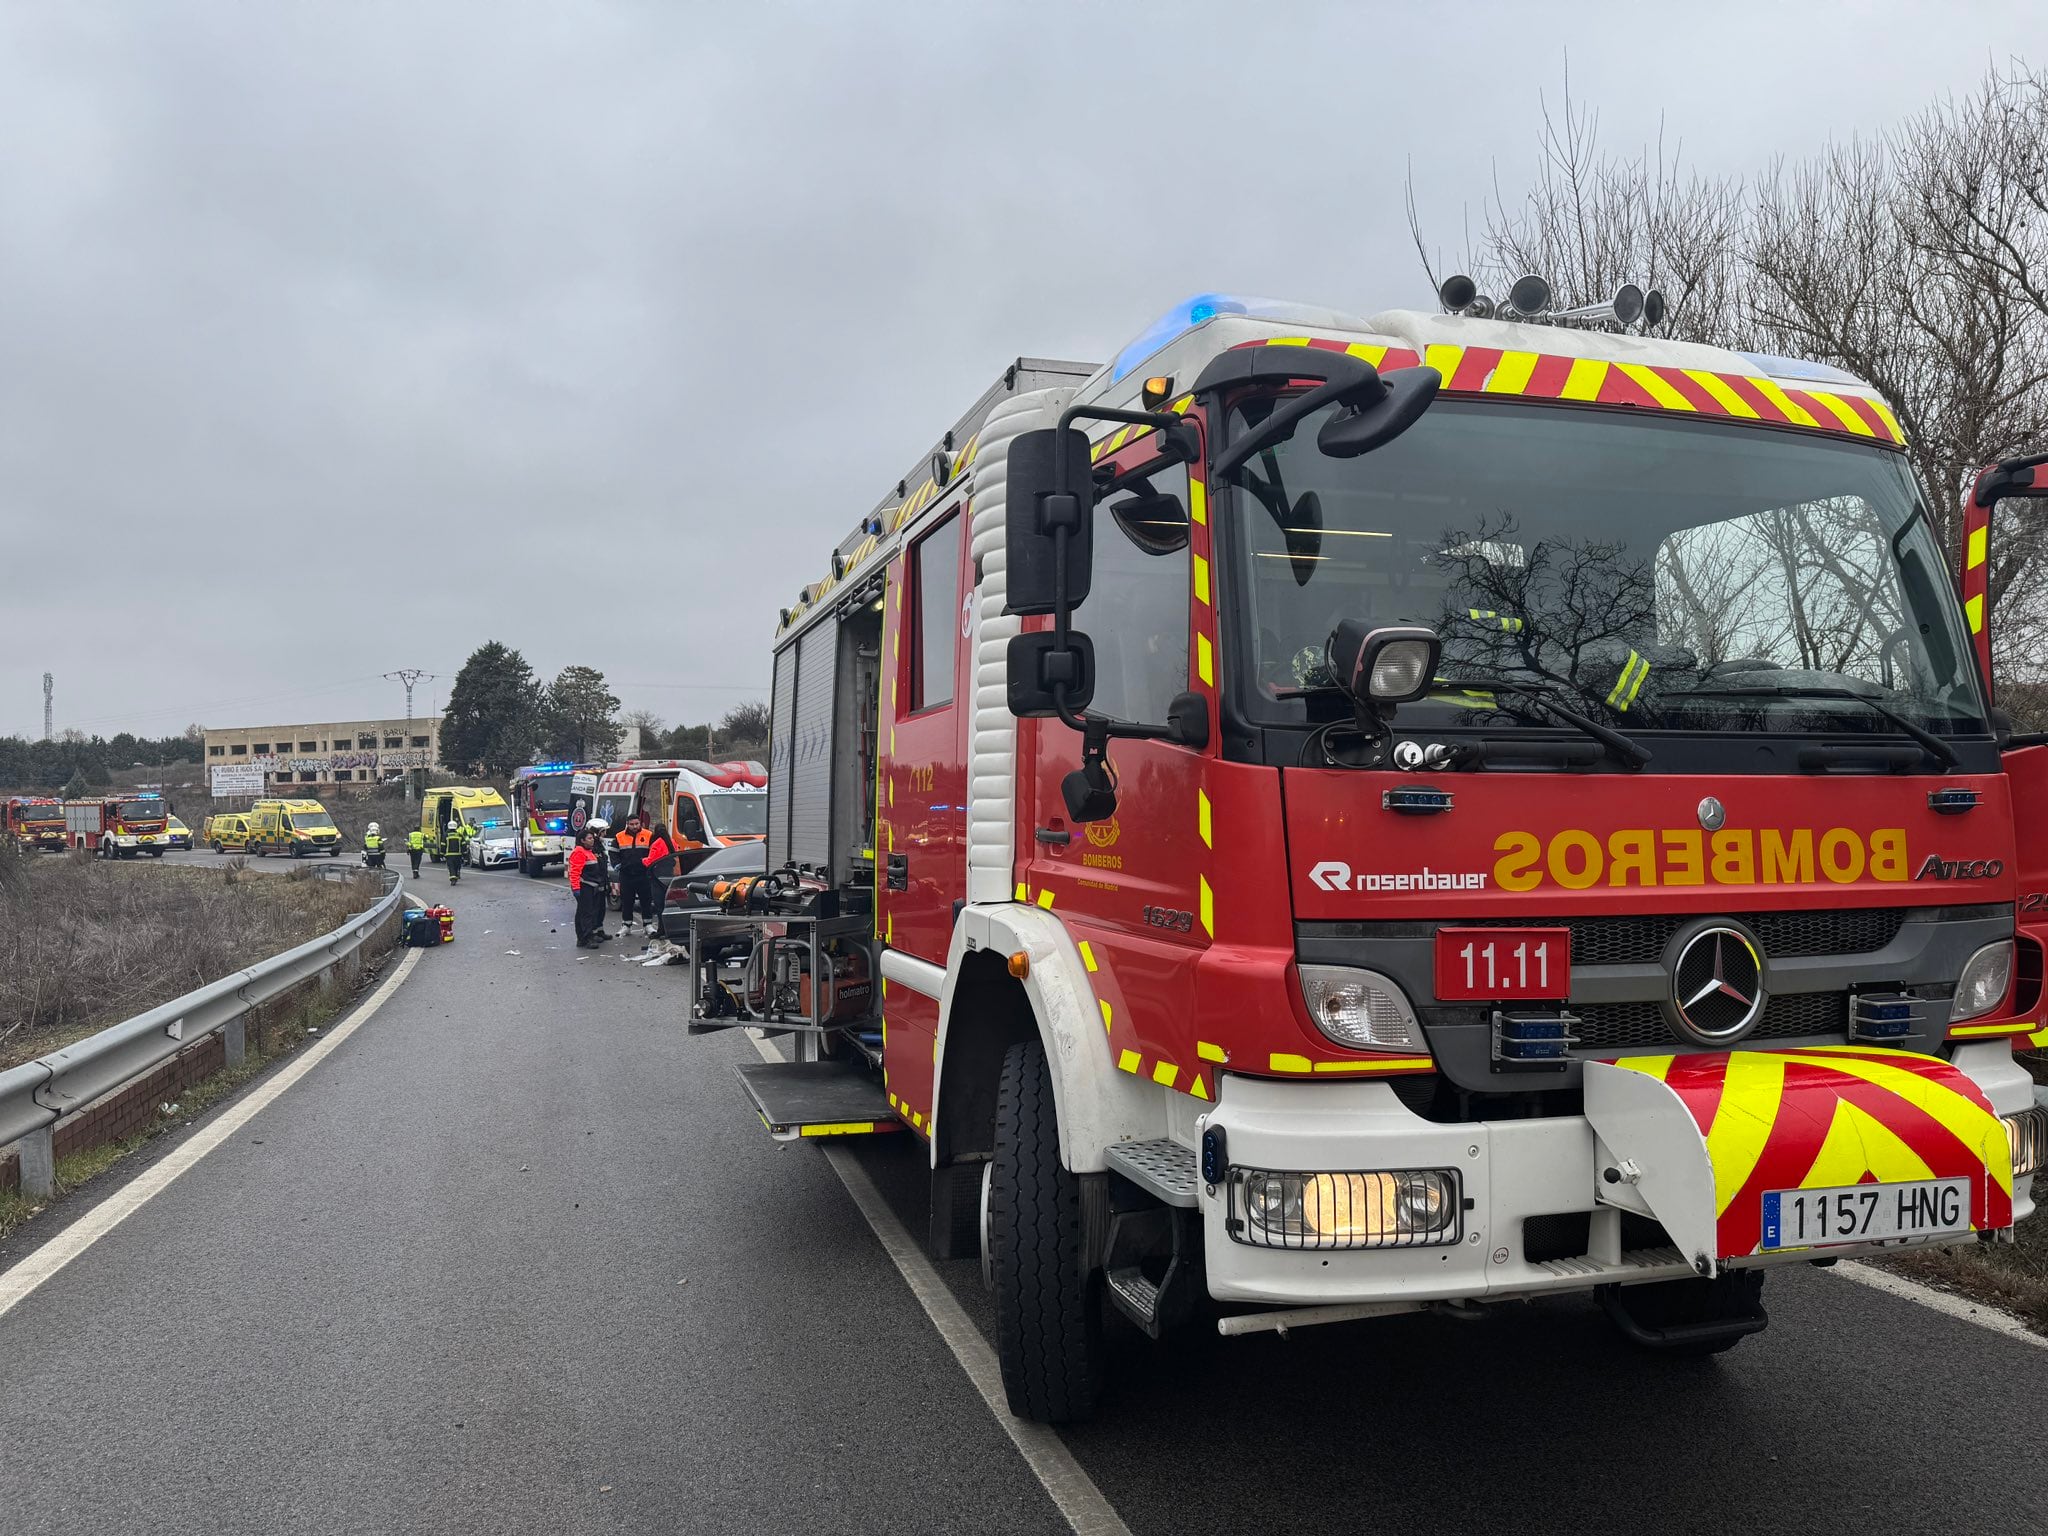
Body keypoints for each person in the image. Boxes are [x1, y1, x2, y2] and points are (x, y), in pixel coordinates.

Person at [567, 821, 612, 947]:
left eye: (592, 838)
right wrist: (576, 889)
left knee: (589, 911)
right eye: (589, 838)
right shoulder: (579, 852)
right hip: (585, 886)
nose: (592, 840)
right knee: (585, 913)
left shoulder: (589, 852)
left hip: (592, 886)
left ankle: (584, 937)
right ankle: (586, 937)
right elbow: (575, 872)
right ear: (582, 840)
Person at [614, 811, 655, 935]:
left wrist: (651, 867)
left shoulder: (648, 835)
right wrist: (618, 865)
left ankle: (648, 925)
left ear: (640, 823)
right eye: (632, 824)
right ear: (627, 824)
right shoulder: (619, 836)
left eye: (637, 823)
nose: (635, 826)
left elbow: (654, 852)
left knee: (646, 901)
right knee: (627, 901)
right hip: (626, 875)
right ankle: (626, 925)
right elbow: (613, 853)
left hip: (643, 874)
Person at [443, 818, 470, 883]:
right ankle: (456, 874)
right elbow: (463, 844)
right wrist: (464, 853)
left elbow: (443, 845)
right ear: (456, 826)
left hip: (449, 855)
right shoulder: (459, 835)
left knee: (451, 866)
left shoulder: (446, 835)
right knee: (457, 865)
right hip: (458, 854)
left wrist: (442, 853)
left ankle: (453, 878)